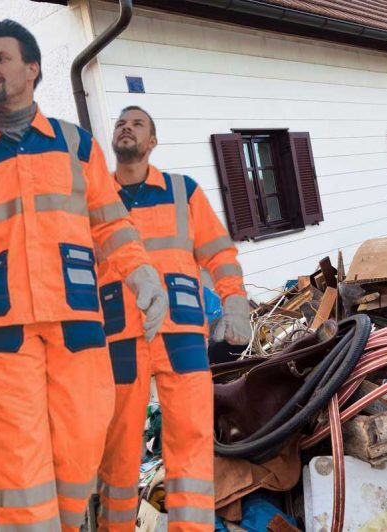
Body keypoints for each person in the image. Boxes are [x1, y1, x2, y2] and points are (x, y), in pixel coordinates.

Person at [0, 21, 168, 531]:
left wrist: (142, 273)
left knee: (80, 448)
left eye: (0, 59)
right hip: (5, 332)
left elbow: (110, 222)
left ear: (32, 69)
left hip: (78, 322)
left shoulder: (75, 145)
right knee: (20, 466)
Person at [95, 106, 251, 531]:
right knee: (120, 450)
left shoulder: (184, 193)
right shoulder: (94, 201)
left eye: (137, 123)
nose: (126, 127)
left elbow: (219, 253)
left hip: (180, 332)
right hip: (119, 336)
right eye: (121, 122)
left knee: (191, 445)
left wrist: (234, 302)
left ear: (152, 143)